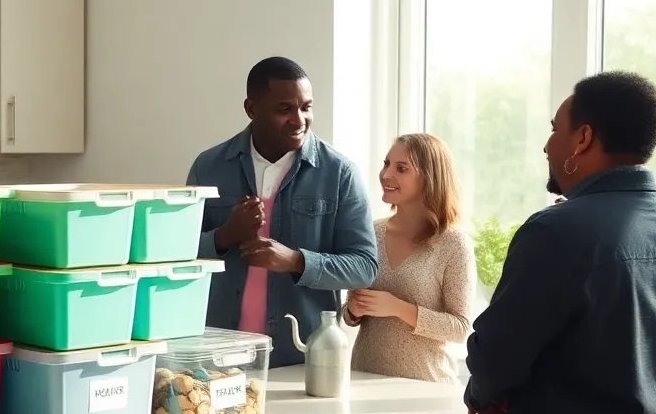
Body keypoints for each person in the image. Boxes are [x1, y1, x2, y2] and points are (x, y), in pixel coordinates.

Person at [464, 71, 656, 414]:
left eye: (554, 129)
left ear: (583, 140)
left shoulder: (558, 232)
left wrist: (482, 392)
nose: (546, 144)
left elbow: (495, 358)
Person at [188, 56, 378, 366]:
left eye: (306, 107)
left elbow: (364, 267)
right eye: (284, 109)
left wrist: (295, 260)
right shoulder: (209, 167)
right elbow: (178, 257)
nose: (299, 119)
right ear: (251, 109)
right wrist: (224, 236)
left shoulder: (339, 173)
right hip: (217, 354)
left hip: (300, 359)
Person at [343, 134, 475, 383]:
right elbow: (349, 315)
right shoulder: (370, 233)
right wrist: (353, 309)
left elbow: (460, 328)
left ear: (429, 177)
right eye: (386, 164)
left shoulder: (453, 244)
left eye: (401, 168)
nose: (385, 174)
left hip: (426, 389)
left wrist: (397, 308)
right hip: (364, 382)